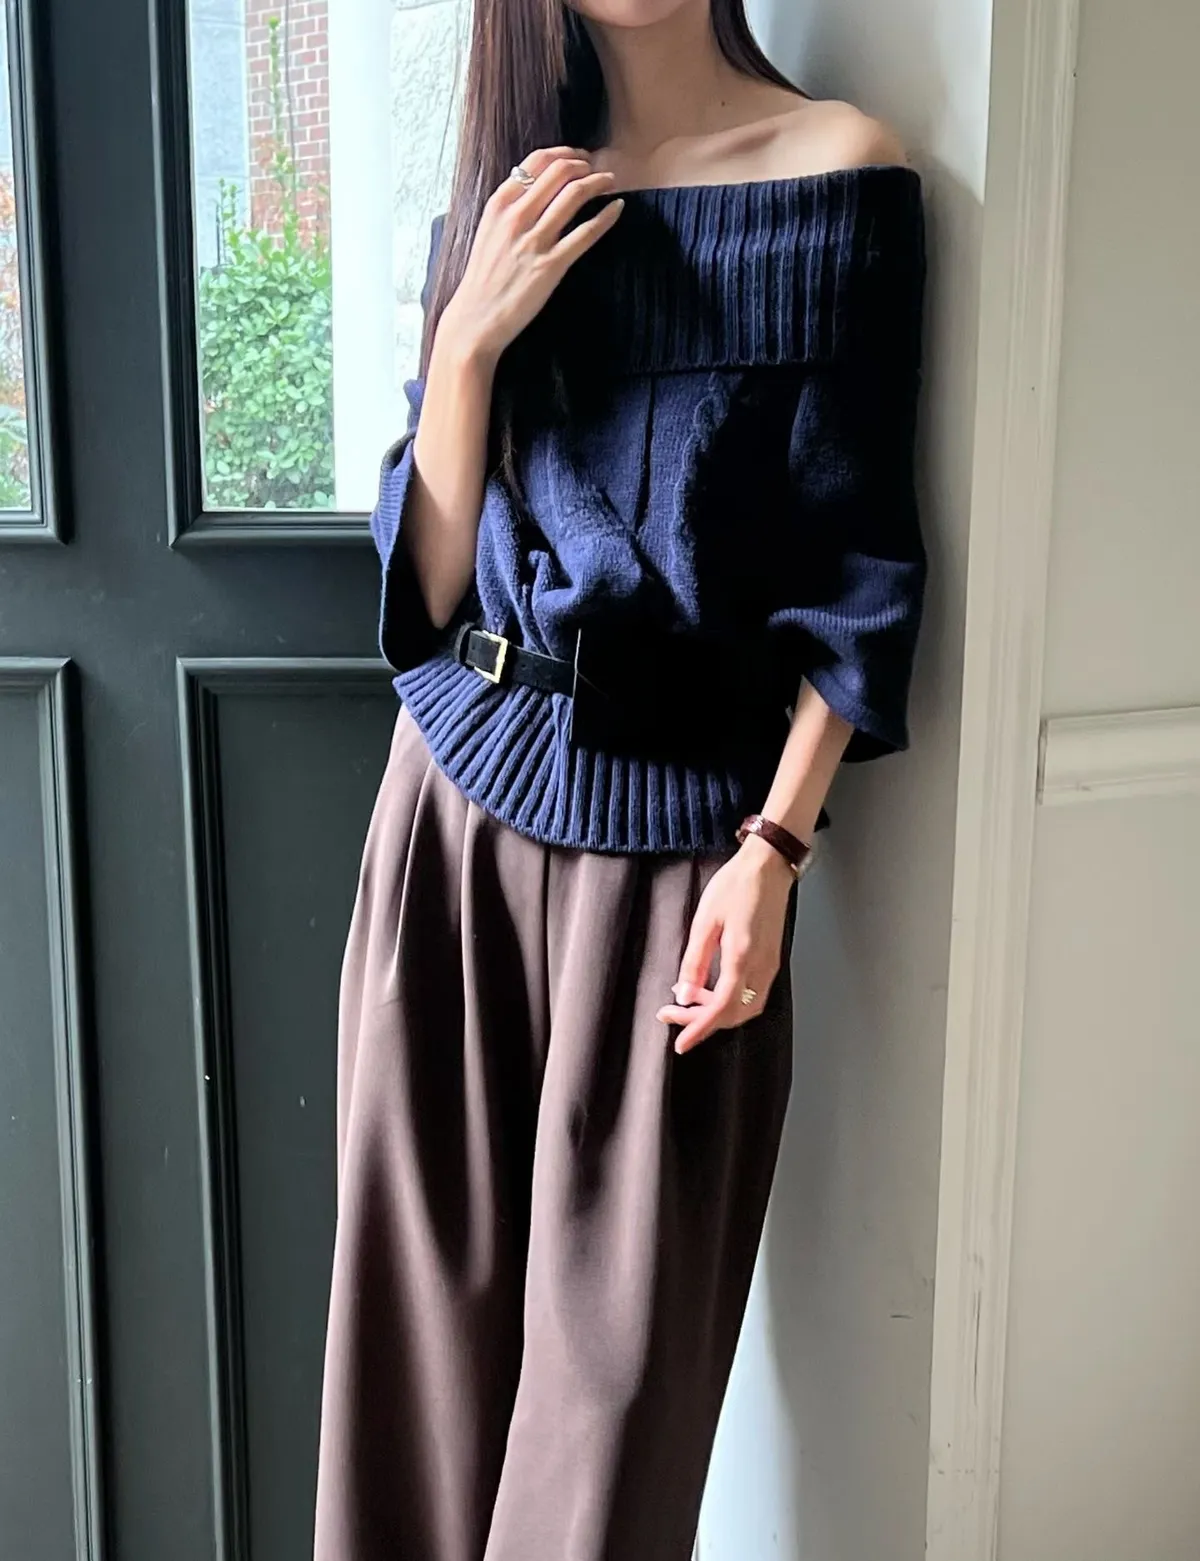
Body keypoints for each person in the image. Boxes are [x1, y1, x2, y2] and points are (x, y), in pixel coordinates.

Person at [312, 0, 928, 1555]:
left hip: (678, 872)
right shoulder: (511, 191)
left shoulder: (840, 173)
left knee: (609, 1428)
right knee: (412, 1378)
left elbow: (862, 573)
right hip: (451, 823)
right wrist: (467, 342)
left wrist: (774, 851)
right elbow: (429, 590)